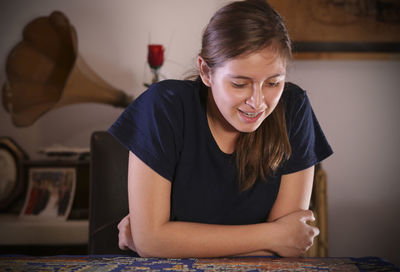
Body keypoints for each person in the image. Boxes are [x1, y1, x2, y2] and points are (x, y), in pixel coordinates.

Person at [108, 0, 333, 258]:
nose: (257, 102)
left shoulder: (294, 108)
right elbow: (152, 242)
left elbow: (286, 250)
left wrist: (165, 242)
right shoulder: (163, 107)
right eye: (239, 84)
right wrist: (273, 235)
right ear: (206, 72)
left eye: (273, 82)